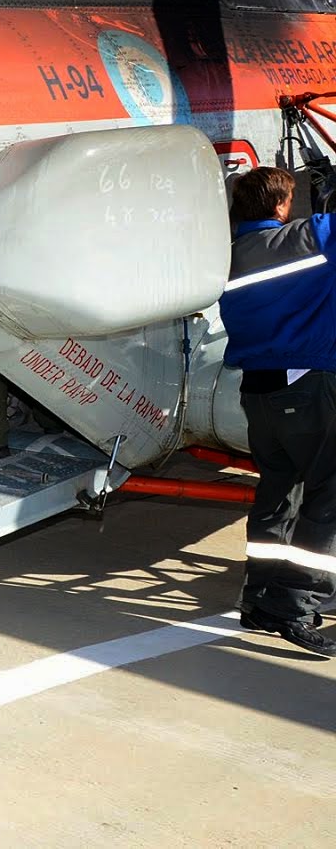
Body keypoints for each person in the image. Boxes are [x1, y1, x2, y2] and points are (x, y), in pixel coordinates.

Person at [217, 165, 336, 658]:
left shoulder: (225, 259)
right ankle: (295, 603)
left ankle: (259, 599)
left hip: (257, 395)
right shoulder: (306, 239)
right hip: (304, 387)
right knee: (329, 497)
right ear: (282, 206)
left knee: (277, 493)